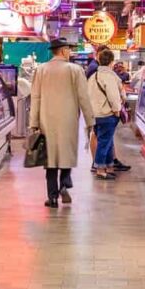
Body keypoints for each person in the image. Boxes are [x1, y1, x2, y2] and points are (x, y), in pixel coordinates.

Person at [29, 38, 95, 208]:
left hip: (46, 120)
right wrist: (90, 121)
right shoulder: (75, 70)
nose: (70, 53)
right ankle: (65, 183)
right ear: (64, 50)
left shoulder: (41, 70)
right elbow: (83, 97)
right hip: (68, 120)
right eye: (69, 50)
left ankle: (52, 198)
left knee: (50, 159)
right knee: (66, 153)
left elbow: (35, 98)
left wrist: (33, 123)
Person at [88, 49, 124, 180]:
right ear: (111, 62)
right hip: (106, 114)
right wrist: (117, 110)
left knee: (107, 141)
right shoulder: (109, 76)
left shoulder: (94, 76)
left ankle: (109, 166)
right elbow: (114, 96)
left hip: (95, 114)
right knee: (104, 142)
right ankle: (100, 169)